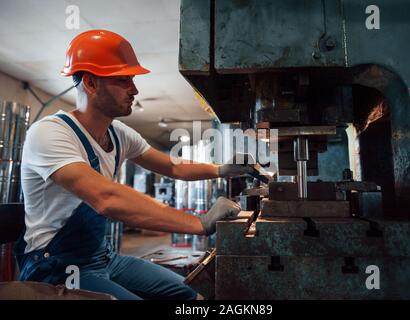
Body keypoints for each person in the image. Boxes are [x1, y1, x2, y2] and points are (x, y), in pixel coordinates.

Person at [16, 29, 252, 300]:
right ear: (91, 84)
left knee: (191, 296)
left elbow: (173, 167)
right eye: (124, 80)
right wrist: (199, 222)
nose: (135, 89)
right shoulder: (50, 133)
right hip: (57, 266)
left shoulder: (118, 133)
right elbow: (106, 198)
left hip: (103, 258)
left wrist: (221, 169)